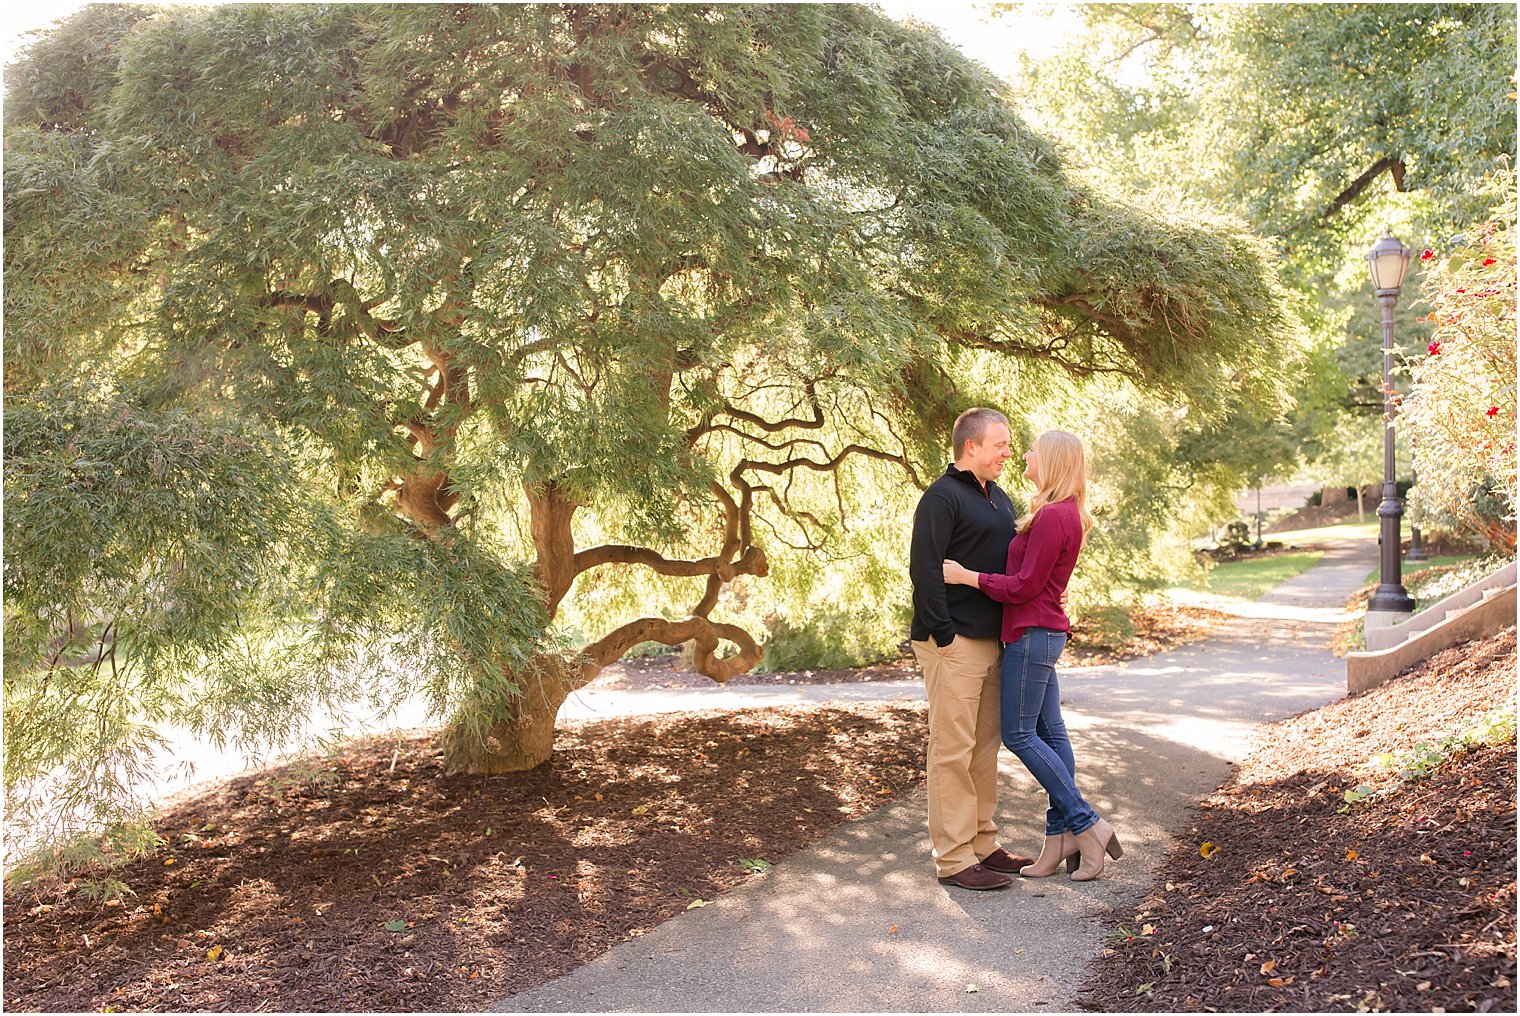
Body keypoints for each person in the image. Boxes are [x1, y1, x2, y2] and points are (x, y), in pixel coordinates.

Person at [943, 429, 1123, 882]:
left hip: (1032, 632)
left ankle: (1087, 823)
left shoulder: (1054, 517)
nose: (1023, 454)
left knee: (1019, 734)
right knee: (1051, 732)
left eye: (1033, 450)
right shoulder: (1059, 512)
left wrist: (968, 577)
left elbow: (1024, 585)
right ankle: (1059, 838)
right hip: (1039, 630)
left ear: (1053, 461)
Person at [908, 407, 1033, 891]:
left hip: (993, 641)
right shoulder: (941, 498)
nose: (1007, 452)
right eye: (999, 444)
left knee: (983, 749)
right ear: (971, 447)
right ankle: (955, 859)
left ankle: (983, 844)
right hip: (954, 641)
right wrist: (944, 634)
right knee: (951, 751)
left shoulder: (999, 497)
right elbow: (924, 571)